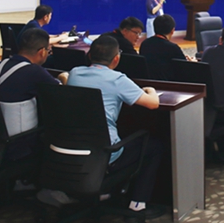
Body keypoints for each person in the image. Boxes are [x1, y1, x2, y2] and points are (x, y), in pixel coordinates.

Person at [67, 36, 165, 220]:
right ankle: (138, 204)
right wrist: (151, 90)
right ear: (116, 59)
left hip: (73, 150)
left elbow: (64, 78)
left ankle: (106, 193)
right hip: (106, 154)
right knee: (154, 146)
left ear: (89, 56)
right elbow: (153, 104)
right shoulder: (117, 79)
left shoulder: (75, 73)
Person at [139, 14, 187, 80]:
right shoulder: (173, 48)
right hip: (168, 84)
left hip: (147, 82)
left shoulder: (144, 44)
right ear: (172, 31)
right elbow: (184, 69)